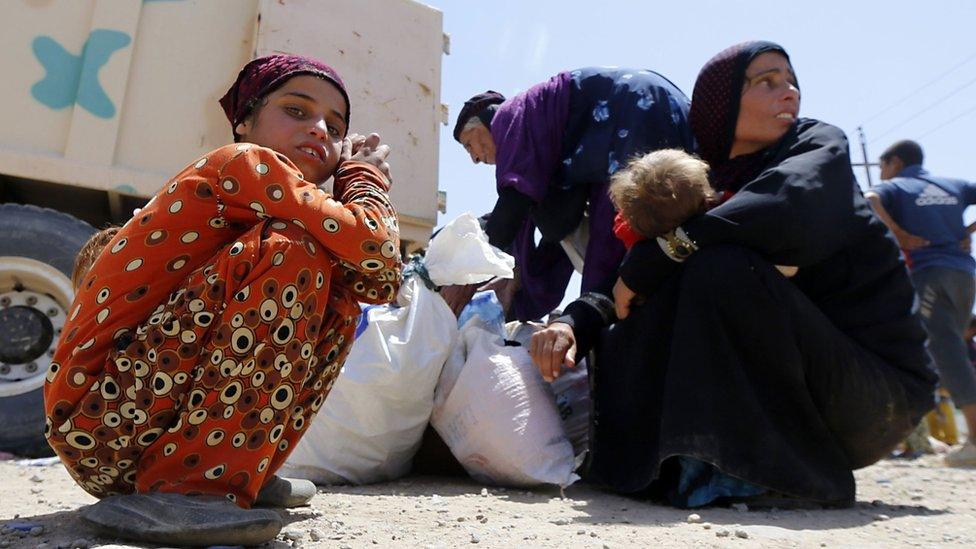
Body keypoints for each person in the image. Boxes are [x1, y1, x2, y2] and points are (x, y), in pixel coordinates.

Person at [530, 41, 937, 508]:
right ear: (720, 105)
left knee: (717, 266)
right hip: (809, 390)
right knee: (647, 298)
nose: (790, 92)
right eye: (767, 82)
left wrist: (666, 252)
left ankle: (769, 473)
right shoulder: (700, 183)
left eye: (790, 80)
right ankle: (669, 461)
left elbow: (785, 205)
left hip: (877, 394)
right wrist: (574, 321)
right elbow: (630, 277)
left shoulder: (817, 147)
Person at [43, 54, 401, 546]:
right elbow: (377, 246)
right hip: (100, 431)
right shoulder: (243, 164)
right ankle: (191, 486)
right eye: (296, 110)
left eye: (335, 127)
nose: (320, 130)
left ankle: (236, 468)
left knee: (337, 292)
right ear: (244, 123)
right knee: (289, 252)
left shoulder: (280, 206)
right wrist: (364, 179)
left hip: (127, 430)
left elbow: (378, 282)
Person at [446, 68, 695, 321]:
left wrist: (467, 275)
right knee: (608, 260)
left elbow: (513, 203)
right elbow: (556, 226)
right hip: (643, 119)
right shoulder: (549, 151)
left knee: (624, 248)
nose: (475, 159)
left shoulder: (511, 115)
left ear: (487, 119)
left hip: (635, 109)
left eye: (469, 144)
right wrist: (515, 276)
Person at [864, 140, 976, 467]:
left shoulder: (897, 186)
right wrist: (966, 230)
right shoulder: (952, 184)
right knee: (949, 348)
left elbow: (870, 200)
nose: (882, 174)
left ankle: (975, 440)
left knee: (945, 351)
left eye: (883, 167)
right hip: (964, 273)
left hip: (929, 272)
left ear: (895, 162)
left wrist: (898, 233)